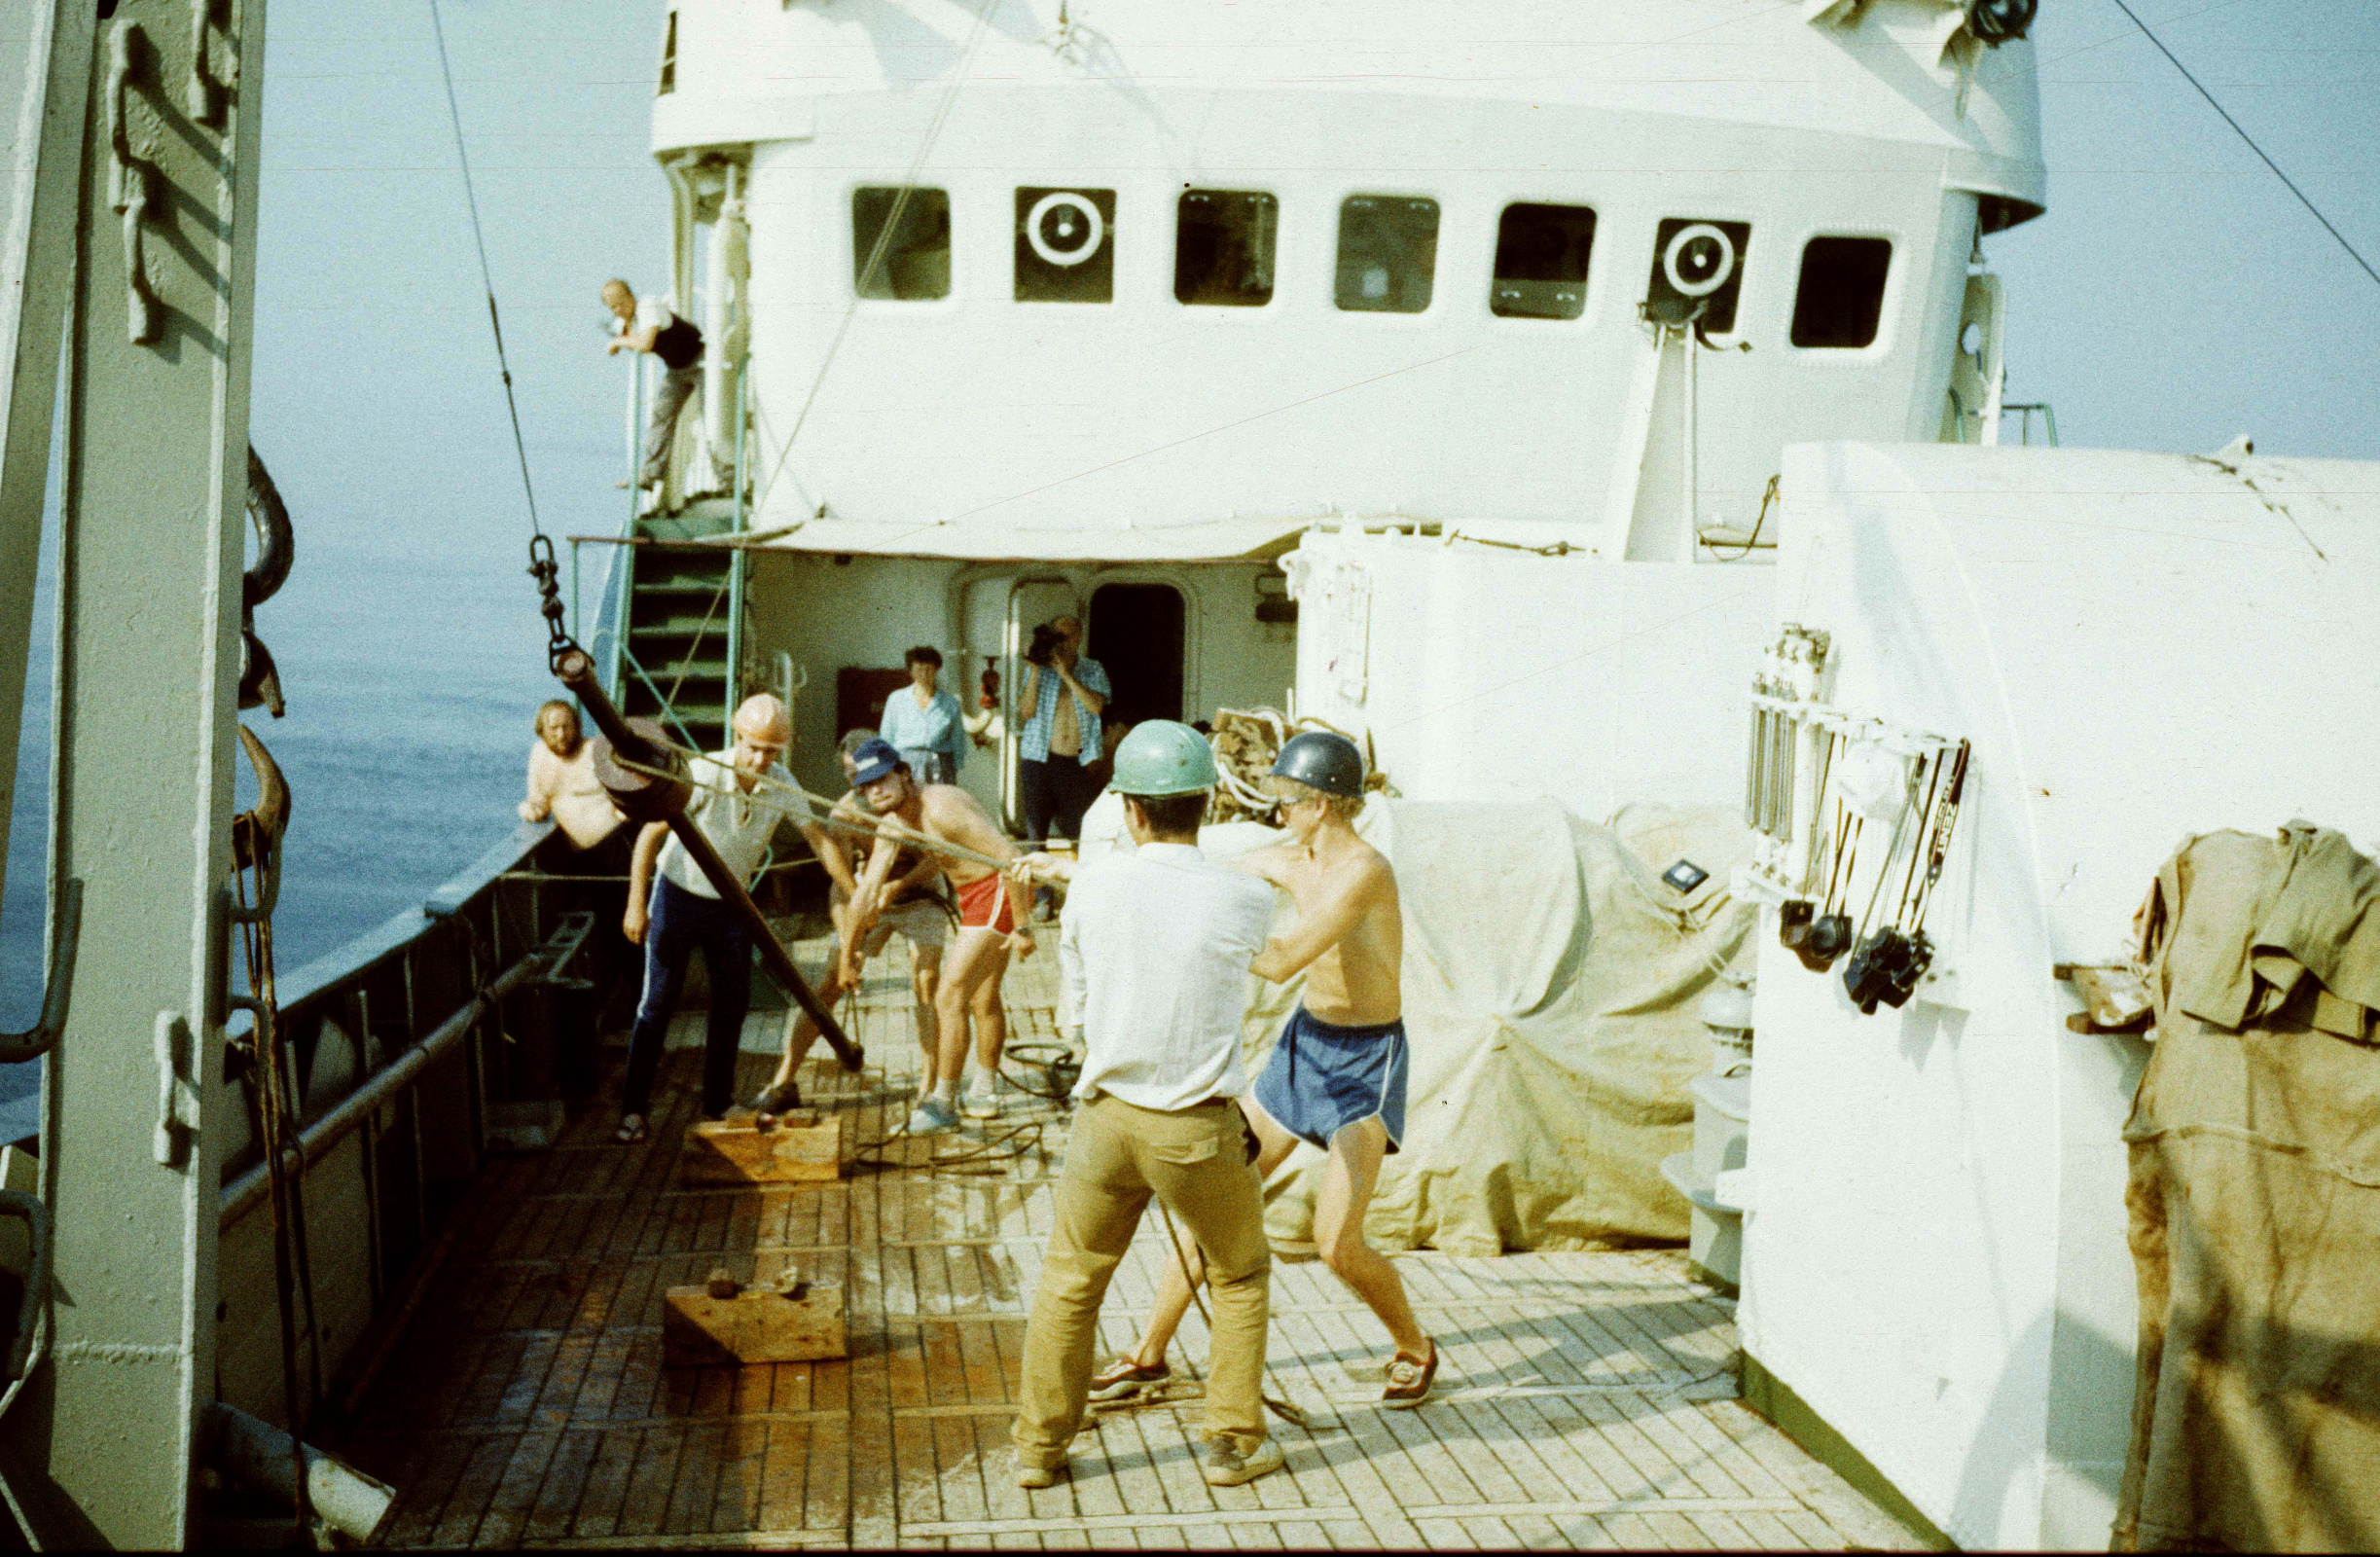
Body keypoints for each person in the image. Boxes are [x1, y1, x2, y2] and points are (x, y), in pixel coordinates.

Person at [1086, 730, 1435, 1410]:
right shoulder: (1291, 855)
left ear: (1326, 805)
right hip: (1303, 1049)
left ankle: (1416, 1347)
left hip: (1366, 1064)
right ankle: (1148, 1357)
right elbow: (1194, 872)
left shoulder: (1365, 871)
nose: (1278, 812)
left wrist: (1196, 930)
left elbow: (1281, 960)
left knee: (1335, 1242)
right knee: (1215, 1199)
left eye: (1288, 799)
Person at [1010, 721, 1284, 1491]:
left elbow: (1073, 1014)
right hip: (1196, 1126)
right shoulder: (1245, 894)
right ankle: (1231, 1443)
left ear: (1130, 811)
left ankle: (1039, 1449)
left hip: (1104, 1117)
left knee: (1071, 1279)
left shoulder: (1090, 885)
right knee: (1238, 1273)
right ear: (1206, 803)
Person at [616, 694, 827, 1143]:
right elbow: (648, 839)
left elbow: (819, 839)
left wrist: (854, 894)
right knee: (657, 1005)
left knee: (731, 1006)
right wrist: (637, 903)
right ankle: (633, 1109)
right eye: (753, 747)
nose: (760, 758)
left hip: (732, 906)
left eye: (771, 750)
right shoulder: (704, 773)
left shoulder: (783, 782)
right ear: (737, 735)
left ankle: (719, 1101)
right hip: (677, 898)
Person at [750, 729, 951, 1115]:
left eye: (874, 775)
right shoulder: (844, 815)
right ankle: (785, 1078)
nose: (866, 786)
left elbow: (938, 859)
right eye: (854, 778)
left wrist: (897, 887)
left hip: (922, 891)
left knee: (926, 982)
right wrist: (849, 942)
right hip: (868, 894)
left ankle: (929, 1085)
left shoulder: (922, 802)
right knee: (828, 982)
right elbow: (842, 888)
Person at [842, 741, 1032, 1135]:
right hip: (970, 896)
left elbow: (1012, 859)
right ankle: (984, 1085)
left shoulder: (941, 808)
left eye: (882, 778)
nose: (874, 790)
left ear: (904, 773)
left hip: (1000, 888)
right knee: (983, 995)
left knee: (949, 994)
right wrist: (849, 952)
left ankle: (944, 1099)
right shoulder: (894, 823)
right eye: (865, 785)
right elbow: (866, 891)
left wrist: (1025, 927)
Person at [520, 700, 635, 1027]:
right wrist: (529, 811)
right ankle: (597, 1006)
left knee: (624, 930)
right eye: (554, 727)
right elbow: (537, 801)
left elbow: (625, 788)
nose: (562, 733)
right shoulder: (539, 757)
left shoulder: (596, 751)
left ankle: (634, 1001)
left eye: (568, 725)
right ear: (541, 731)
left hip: (614, 849)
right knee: (583, 930)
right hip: (576, 860)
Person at [1015, 615, 1108, 869]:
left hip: (1075, 760)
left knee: (1083, 829)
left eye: (1068, 636)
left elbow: (1096, 706)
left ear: (1079, 638)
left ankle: (1085, 886)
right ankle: (1043, 899)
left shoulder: (1092, 669)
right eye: (1058, 636)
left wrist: (1066, 675)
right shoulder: (1039, 669)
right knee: (1036, 832)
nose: (1062, 643)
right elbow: (1025, 711)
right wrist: (1034, 668)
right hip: (1038, 758)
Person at [602, 277, 705, 492]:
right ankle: (649, 475)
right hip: (676, 368)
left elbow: (645, 343)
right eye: (613, 307)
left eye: (621, 303)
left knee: (712, 417)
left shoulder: (648, 306)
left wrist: (619, 342)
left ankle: (727, 481)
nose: (618, 309)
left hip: (702, 360)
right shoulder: (622, 324)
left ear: (631, 297)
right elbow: (623, 343)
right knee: (661, 416)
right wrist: (619, 341)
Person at [876, 646, 967, 785]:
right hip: (905, 762)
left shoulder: (950, 703)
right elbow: (886, 736)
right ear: (910, 671)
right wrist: (888, 766)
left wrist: (955, 767)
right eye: (919, 669)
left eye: (929, 669)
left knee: (939, 803)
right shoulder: (896, 699)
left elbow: (958, 738)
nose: (924, 675)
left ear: (936, 670)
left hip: (940, 763)